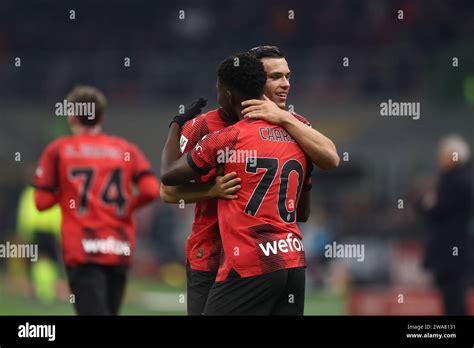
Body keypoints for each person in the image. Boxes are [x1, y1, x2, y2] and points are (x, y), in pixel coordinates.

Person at [161, 46, 339, 315]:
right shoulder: (203, 126)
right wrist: (212, 191)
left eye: (288, 76)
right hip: (210, 256)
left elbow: (331, 159)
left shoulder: (294, 124)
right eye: (276, 77)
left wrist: (283, 117)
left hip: (254, 259)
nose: (286, 84)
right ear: (254, 79)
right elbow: (167, 192)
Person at [33, 85, 160, 315]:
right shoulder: (124, 149)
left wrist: (68, 191)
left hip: (83, 247)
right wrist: (125, 207)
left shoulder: (59, 150)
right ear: (102, 116)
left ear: (71, 116)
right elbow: (151, 190)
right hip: (119, 246)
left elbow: (41, 202)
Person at [418, 134, 472, 315]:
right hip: (452, 250)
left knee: (453, 296)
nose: (440, 158)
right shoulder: (457, 179)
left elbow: (436, 207)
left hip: (451, 251)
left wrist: (427, 203)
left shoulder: (456, 181)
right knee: (452, 295)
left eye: (443, 154)